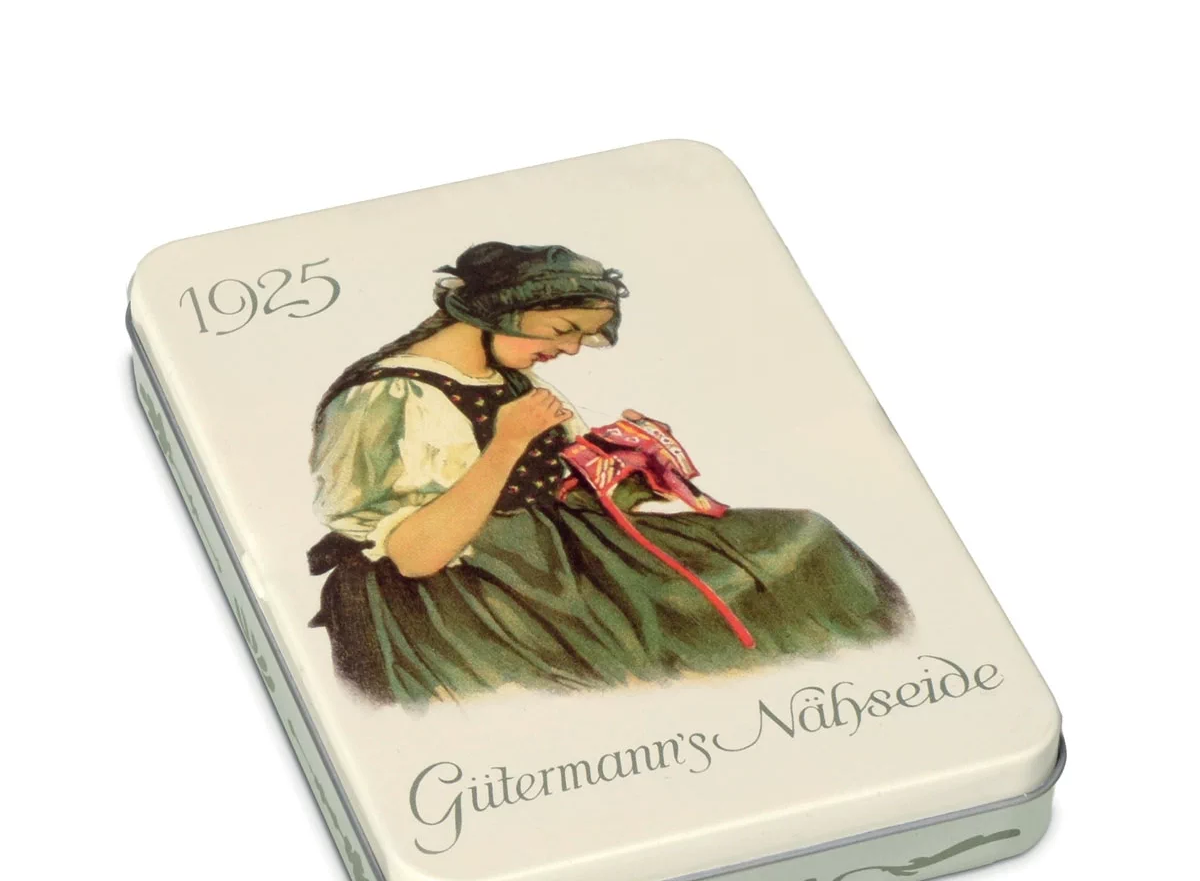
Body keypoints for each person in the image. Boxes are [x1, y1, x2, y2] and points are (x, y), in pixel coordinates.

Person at [307, 241, 910, 708]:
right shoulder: (386, 398)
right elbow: (417, 555)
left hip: (561, 551)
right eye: (562, 331)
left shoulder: (509, 376)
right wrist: (509, 443)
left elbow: (556, 483)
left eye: (582, 336)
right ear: (496, 311)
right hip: (474, 587)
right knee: (683, 631)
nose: (571, 350)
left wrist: (626, 466)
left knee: (803, 538)